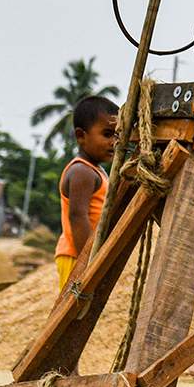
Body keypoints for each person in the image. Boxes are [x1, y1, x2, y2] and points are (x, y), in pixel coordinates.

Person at [54, 95, 118, 290]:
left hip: (81, 253)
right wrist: (88, 262)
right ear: (81, 136)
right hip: (76, 255)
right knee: (71, 311)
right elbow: (78, 216)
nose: (114, 142)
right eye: (107, 134)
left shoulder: (96, 171)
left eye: (117, 135)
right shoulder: (82, 172)